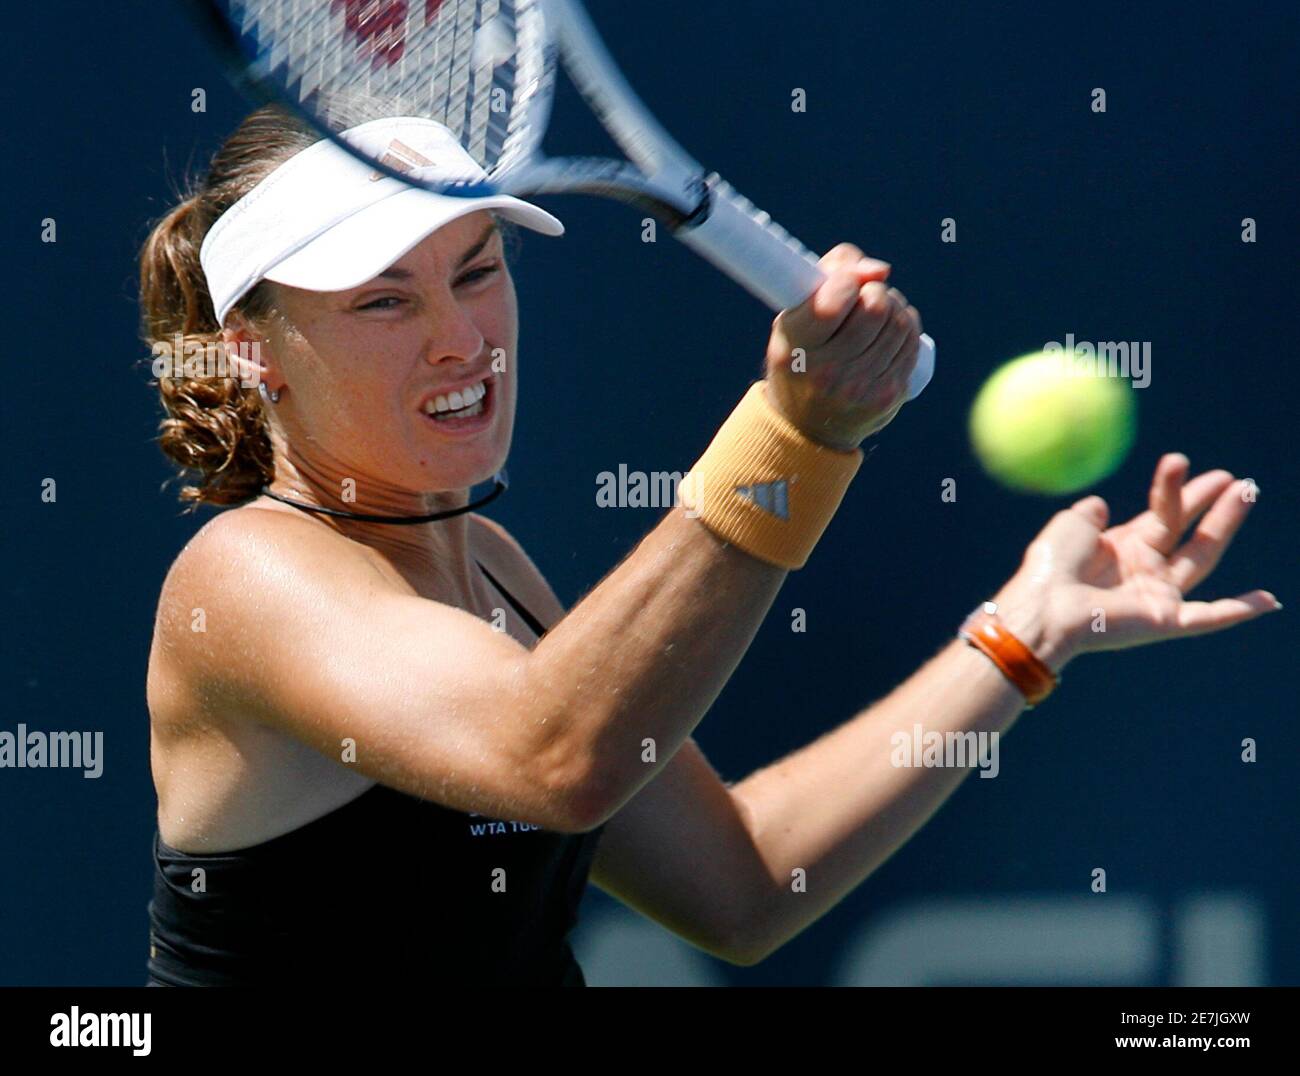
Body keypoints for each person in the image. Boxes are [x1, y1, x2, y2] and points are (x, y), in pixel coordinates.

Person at [138, 102, 1280, 986]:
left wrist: (1021, 633)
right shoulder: (244, 576)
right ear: (254, 352)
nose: (459, 338)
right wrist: (793, 431)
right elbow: (556, 759)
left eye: (477, 271)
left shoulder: (487, 563)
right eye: (383, 303)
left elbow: (741, 881)